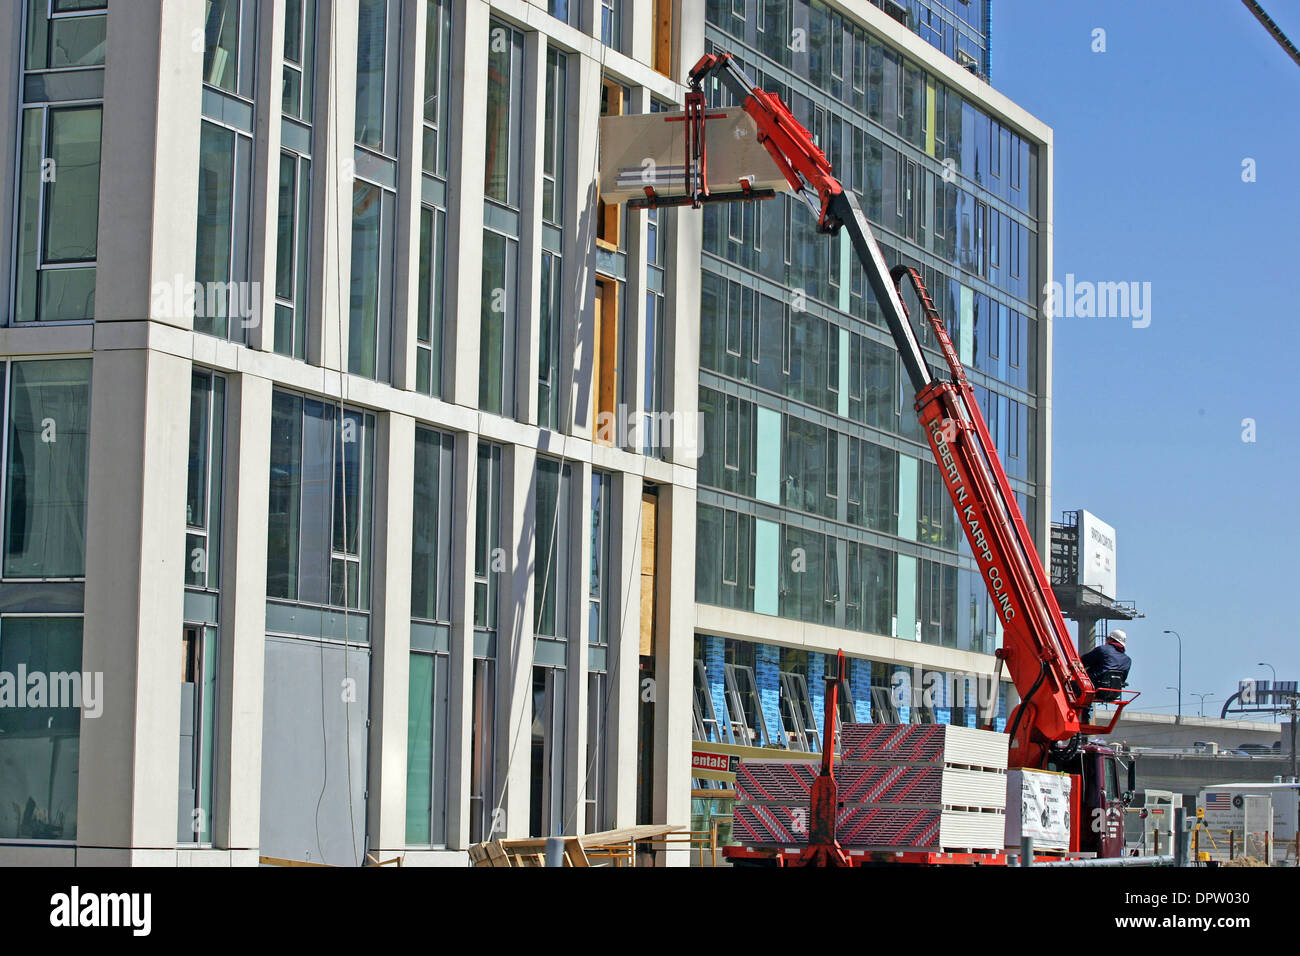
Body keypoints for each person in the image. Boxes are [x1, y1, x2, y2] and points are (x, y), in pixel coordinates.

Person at [1081, 629, 1132, 703]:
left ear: (1110, 639)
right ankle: (1086, 713)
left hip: (1095, 688)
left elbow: (1082, 662)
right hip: (1114, 693)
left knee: (1071, 687)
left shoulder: (1102, 650)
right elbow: (1123, 679)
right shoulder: (1127, 660)